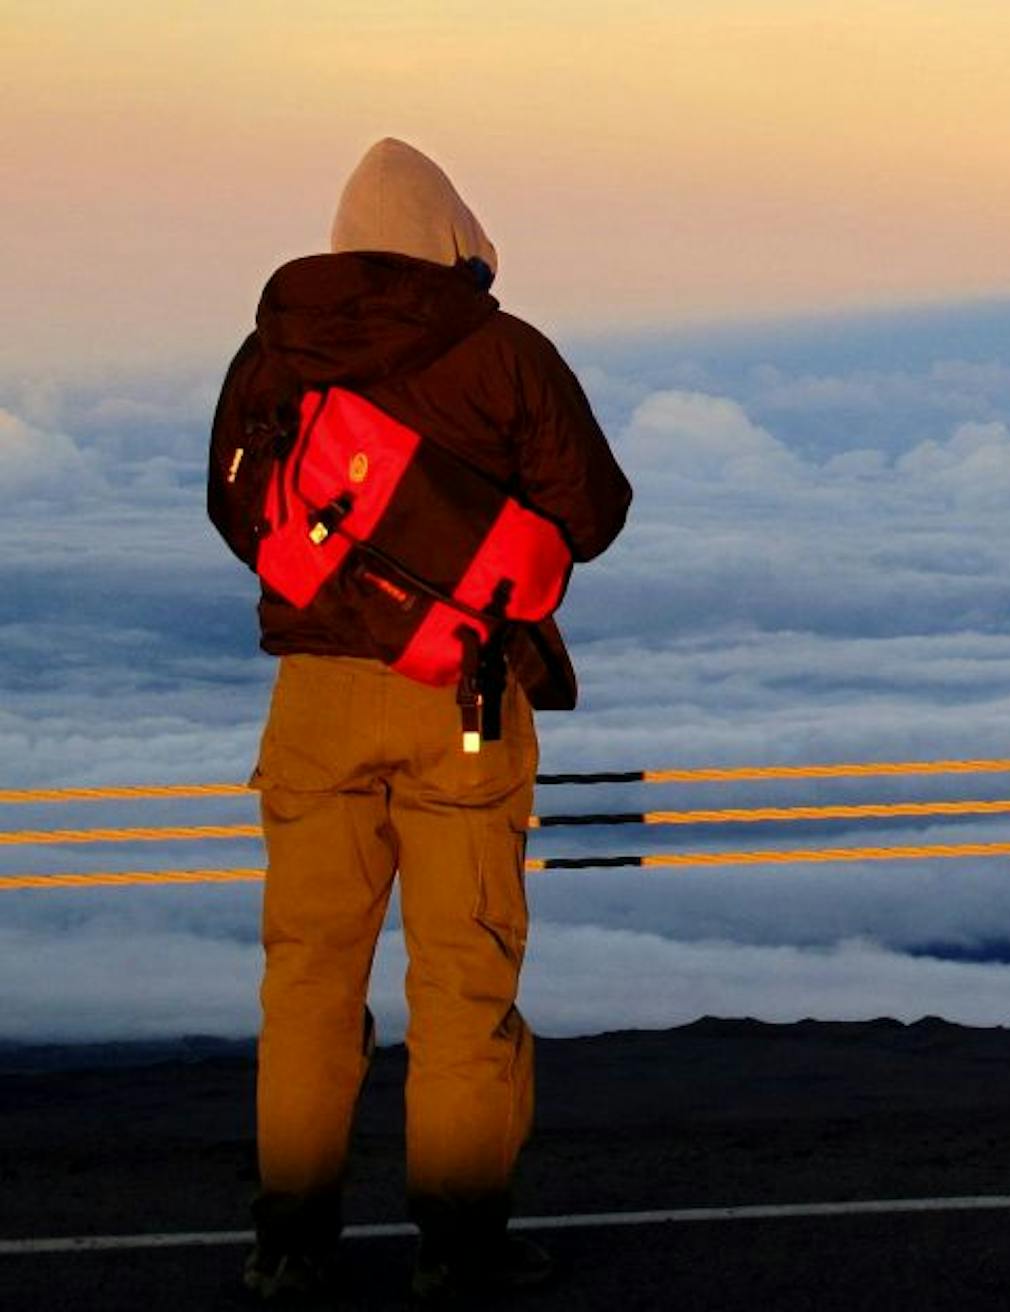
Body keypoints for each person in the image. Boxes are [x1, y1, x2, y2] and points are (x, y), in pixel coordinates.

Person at [207, 137, 632, 1302]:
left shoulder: (271, 355)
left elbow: (233, 509)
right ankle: (460, 1245)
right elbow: (593, 514)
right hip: (464, 699)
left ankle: (289, 1242)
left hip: (314, 701)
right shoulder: (502, 355)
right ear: (453, 235)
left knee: (306, 980)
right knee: (462, 978)